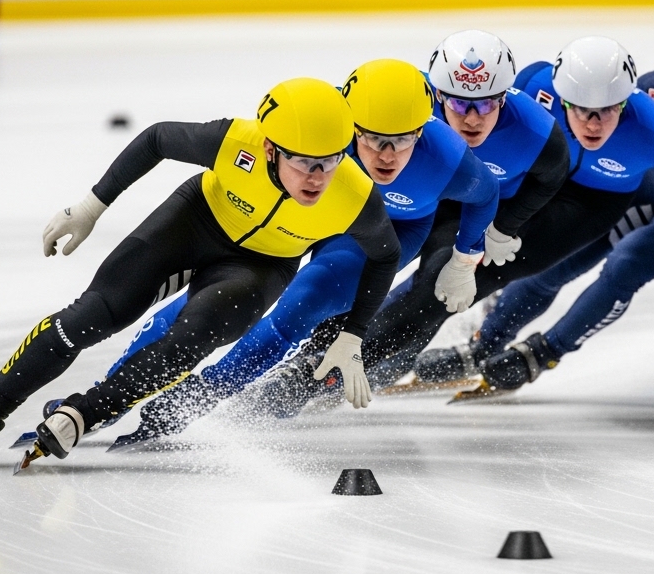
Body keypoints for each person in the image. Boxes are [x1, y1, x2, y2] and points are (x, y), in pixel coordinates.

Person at [0, 77, 399, 470]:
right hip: (194, 222)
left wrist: (354, 333)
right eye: (305, 163)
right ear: (270, 149)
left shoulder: (354, 195)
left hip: (260, 265)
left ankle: (86, 411)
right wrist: (91, 205)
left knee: (194, 336)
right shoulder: (234, 143)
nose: (319, 177)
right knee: (92, 315)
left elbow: (384, 255)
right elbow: (157, 138)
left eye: (331, 161)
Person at [99, 58, 500, 449]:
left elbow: (486, 196)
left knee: (305, 301)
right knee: (217, 292)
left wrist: (466, 258)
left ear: (422, 131)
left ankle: (205, 393)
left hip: (392, 226)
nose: (388, 154)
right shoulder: (319, 131)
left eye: (404, 139)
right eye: (373, 139)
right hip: (312, 205)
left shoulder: (449, 160)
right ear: (349, 126)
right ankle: (111, 392)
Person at [415, 22, 654, 393]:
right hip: (645, 186)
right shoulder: (642, 91)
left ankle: (547, 351)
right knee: (556, 259)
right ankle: (486, 342)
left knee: (629, 262)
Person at [339, 36, 654, 403]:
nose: (592, 124)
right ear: (559, 97)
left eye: (606, 112)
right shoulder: (537, 86)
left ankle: (383, 352)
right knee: (430, 270)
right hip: (529, 190)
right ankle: (369, 346)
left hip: (590, 204)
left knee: (474, 282)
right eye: (578, 108)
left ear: (625, 105)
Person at [245, 29, 574, 416]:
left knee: (433, 294)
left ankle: (313, 376)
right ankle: (319, 357)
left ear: (504, 97)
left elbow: (553, 176)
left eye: (485, 106)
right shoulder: (404, 104)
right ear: (434, 96)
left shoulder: (536, 132)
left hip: (474, 208)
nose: (470, 118)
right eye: (455, 102)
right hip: (416, 203)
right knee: (353, 273)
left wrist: (505, 226)